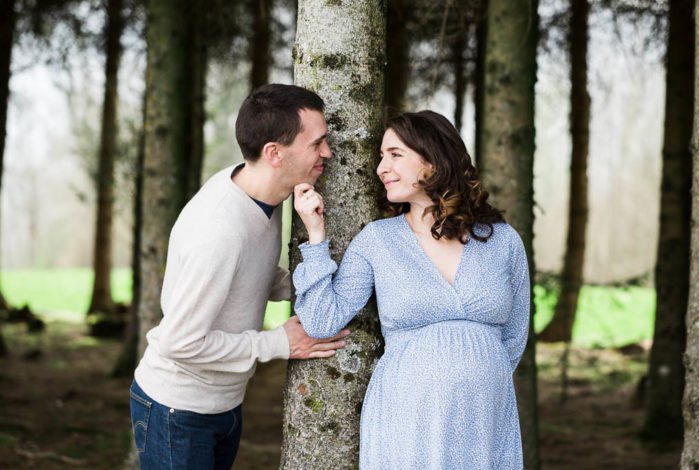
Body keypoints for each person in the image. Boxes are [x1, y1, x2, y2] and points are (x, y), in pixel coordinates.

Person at [129, 84, 350, 470]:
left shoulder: (269, 193)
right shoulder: (218, 229)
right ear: (274, 154)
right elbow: (180, 342)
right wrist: (278, 343)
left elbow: (247, 272)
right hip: (177, 411)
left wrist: (312, 284)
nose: (328, 153)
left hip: (224, 403)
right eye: (317, 143)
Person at [292, 110, 530, 469]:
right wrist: (315, 235)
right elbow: (322, 321)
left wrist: (478, 374)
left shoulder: (502, 241)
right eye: (381, 157)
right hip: (409, 420)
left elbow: (513, 337)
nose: (381, 168)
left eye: (395, 155)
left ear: (433, 160)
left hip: (485, 422)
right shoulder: (378, 240)